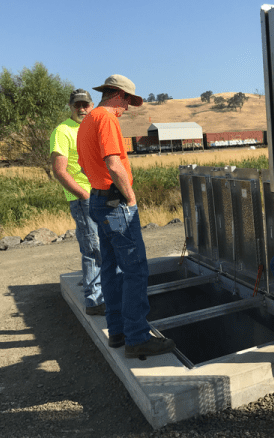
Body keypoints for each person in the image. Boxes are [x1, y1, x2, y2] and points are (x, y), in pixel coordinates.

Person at [77, 74, 175, 359]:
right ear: (118, 95)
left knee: (111, 266)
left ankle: (118, 331)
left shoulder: (87, 120)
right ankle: (137, 338)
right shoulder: (107, 119)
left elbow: (86, 165)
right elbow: (113, 162)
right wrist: (130, 198)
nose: (128, 108)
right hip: (115, 203)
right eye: (128, 101)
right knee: (135, 269)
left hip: (98, 199)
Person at [50, 89, 105, 316]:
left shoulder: (92, 127)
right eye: (77, 105)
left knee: (105, 247)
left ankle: (104, 292)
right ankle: (94, 300)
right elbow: (60, 171)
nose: (82, 109)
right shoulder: (63, 131)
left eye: (85, 104)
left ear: (91, 105)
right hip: (84, 199)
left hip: (101, 195)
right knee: (93, 248)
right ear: (70, 107)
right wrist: (83, 195)